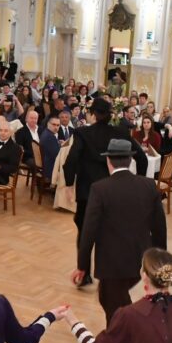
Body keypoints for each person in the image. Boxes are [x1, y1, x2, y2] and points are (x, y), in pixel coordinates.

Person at [72, 140, 167, 343]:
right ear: (131, 159)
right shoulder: (148, 185)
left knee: (116, 321)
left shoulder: (100, 188)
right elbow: (160, 226)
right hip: (141, 264)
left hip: (112, 267)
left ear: (108, 161)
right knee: (129, 312)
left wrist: (82, 266)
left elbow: (88, 232)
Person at [63, 98, 149, 286]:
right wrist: (139, 182)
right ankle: (109, 275)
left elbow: (71, 160)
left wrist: (69, 185)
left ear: (92, 114)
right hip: (115, 193)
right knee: (111, 234)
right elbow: (142, 158)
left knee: (85, 233)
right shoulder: (120, 132)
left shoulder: (82, 133)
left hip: (87, 193)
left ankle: (84, 273)